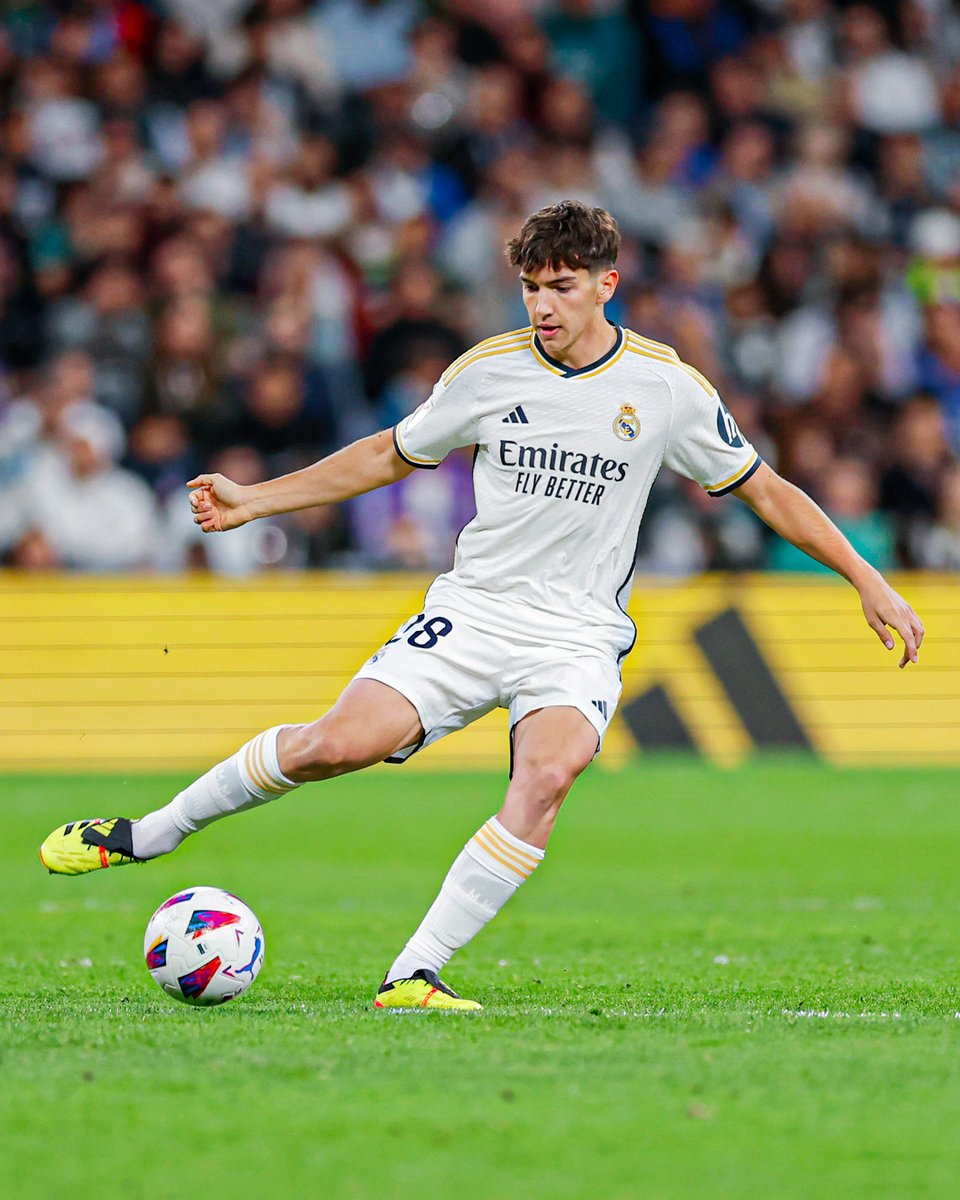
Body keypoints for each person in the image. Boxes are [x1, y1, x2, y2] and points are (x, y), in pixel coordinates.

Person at [39, 201, 925, 1010]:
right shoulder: (488, 371)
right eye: (532, 288)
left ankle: (411, 974)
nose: (542, 306)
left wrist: (864, 575)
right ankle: (150, 833)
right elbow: (389, 455)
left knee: (549, 774)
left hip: (577, 633)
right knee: (331, 746)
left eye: (562, 288)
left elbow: (765, 490)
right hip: (475, 611)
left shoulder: (665, 388)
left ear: (606, 286)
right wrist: (254, 499)